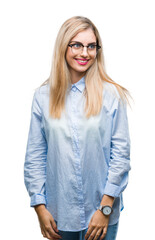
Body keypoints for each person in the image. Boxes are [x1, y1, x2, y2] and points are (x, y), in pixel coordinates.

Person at [24, 16, 131, 240]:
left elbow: (120, 157)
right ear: (63, 47)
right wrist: (39, 207)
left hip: (101, 215)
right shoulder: (42, 97)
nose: (85, 53)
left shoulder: (111, 95)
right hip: (58, 215)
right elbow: (35, 156)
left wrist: (105, 210)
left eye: (91, 46)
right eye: (77, 45)